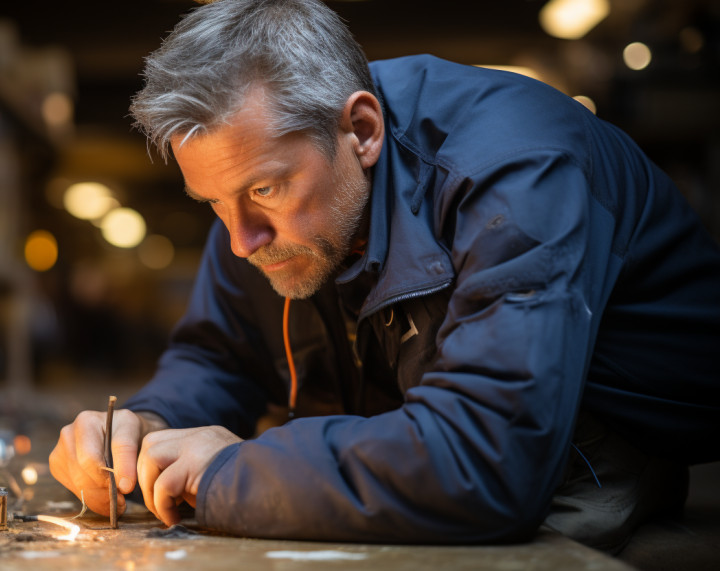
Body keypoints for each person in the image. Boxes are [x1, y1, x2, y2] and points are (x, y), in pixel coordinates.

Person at [49, 0, 720, 551]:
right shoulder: (260, 198)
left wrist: (231, 470)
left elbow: (488, 459)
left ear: (362, 130)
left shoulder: (515, 172)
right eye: (214, 204)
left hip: (591, 434)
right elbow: (218, 353)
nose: (240, 240)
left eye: (265, 191)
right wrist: (148, 420)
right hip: (434, 424)